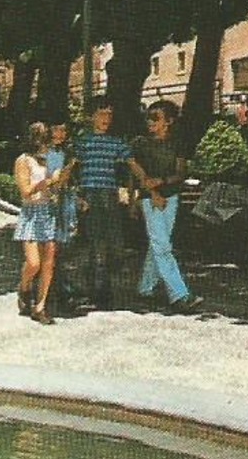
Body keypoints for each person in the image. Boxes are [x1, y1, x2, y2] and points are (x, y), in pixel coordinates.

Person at [131, 101, 202, 313]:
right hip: (149, 199)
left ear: (169, 121)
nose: (150, 122)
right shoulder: (140, 143)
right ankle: (179, 294)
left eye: (156, 118)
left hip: (170, 198)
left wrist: (161, 181)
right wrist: (142, 196)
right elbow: (135, 175)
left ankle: (145, 287)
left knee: (159, 244)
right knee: (162, 245)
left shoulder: (177, 143)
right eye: (149, 118)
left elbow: (180, 174)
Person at [72, 98, 134, 310]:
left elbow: (130, 168)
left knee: (115, 245)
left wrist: (132, 194)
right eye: (101, 114)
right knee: (96, 242)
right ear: (91, 117)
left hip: (109, 195)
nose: (106, 118)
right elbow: (71, 170)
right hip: (90, 195)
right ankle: (98, 292)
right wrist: (77, 197)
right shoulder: (83, 142)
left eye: (109, 114)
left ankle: (104, 285)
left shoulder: (117, 143)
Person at [14, 122, 62, 325]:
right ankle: (24, 287)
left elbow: (60, 185)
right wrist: (48, 182)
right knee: (34, 263)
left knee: (49, 262)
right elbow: (25, 191)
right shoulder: (24, 160)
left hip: (50, 211)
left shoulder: (54, 158)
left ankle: (40, 306)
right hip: (32, 212)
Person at [45, 120, 82, 310]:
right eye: (55, 130)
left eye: (63, 131)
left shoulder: (69, 154)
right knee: (49, 246)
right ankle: (47, 290)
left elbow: (71, 180)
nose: (59, 135)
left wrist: (78, 198)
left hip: (65, 200)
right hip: (48, 201)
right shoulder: (43, 153)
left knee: (65, 245)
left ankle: (65, 292)